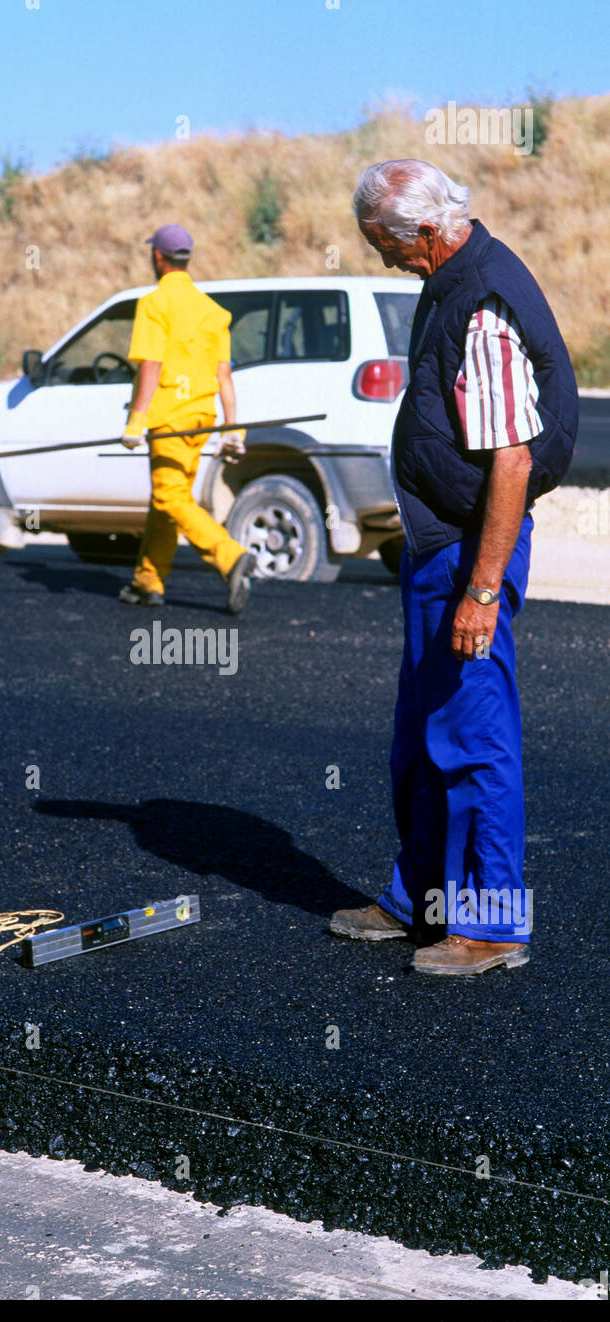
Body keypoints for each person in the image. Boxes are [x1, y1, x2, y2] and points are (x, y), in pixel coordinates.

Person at [330, 160, 578, 975]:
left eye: (383, 246)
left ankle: (493, 927)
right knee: (421, 739)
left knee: (474, 742)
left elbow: (511, 459)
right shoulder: (447, 282)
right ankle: (421, 900)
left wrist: (479, 588)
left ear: (425, 234)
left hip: (472, 555)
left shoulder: (482, 303)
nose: (380, 259)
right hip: (440, 550)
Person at [118, 224, 256, 613]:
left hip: (169, 417)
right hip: (202, 417)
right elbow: (224, 375)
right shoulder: (211, 310)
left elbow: (151, 365)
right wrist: (232, 428)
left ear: (158, 257)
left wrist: (136, 420)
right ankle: (148, 580)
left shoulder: (154, 304)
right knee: (168, 499)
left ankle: (229, 557)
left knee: (169, 496)